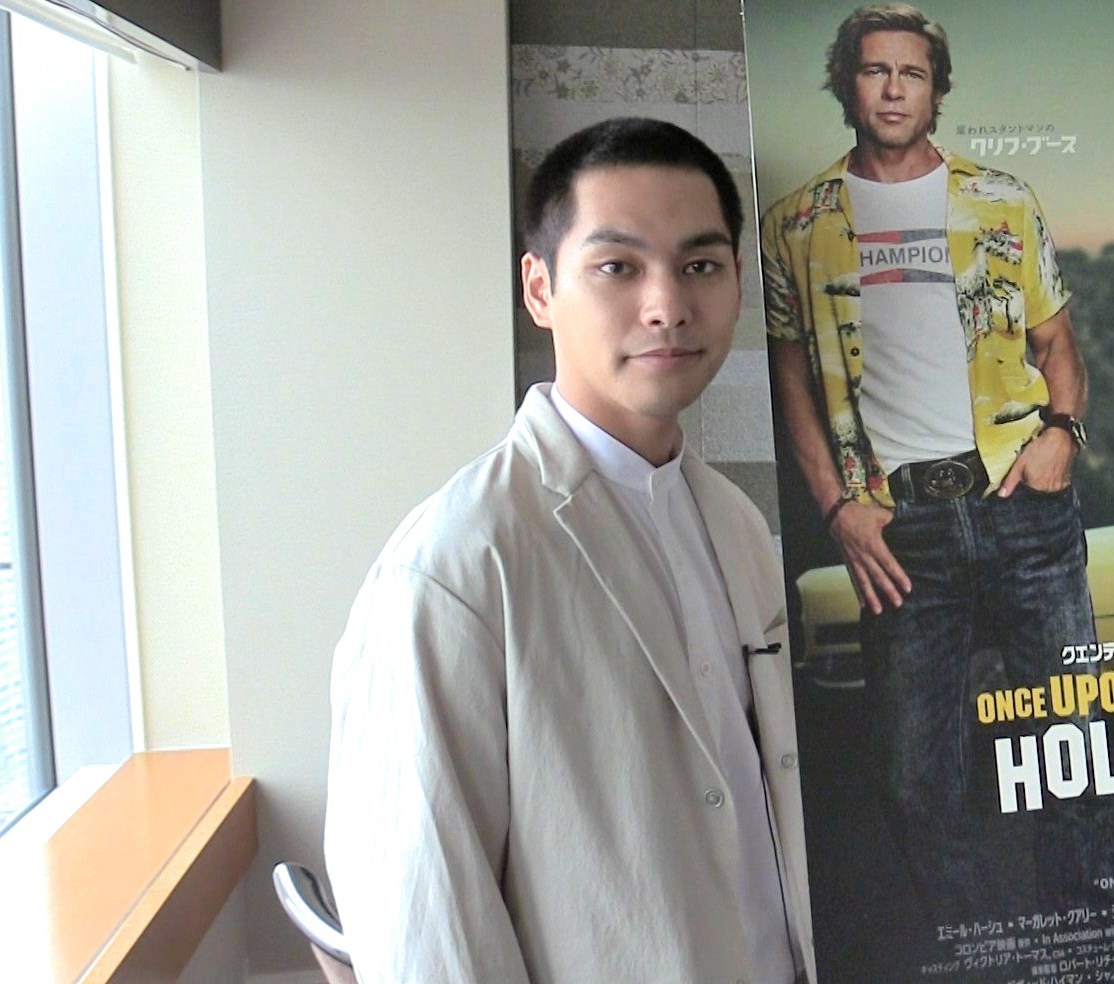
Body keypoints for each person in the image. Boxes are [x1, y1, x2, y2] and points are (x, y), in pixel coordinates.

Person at [325, 118, 813, 984]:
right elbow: (427, 936)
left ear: (738, 280)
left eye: (700, 265)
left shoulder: (736, 524)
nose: (667, 305)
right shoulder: (455, 568)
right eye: (617, 267)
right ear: (540, 288)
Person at [761, 3, 1102, 925]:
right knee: (914, 777)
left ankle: (1077, 932)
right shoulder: (797, 224)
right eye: (875, 70)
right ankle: (979, 947)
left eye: (911, 72)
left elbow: (1059, 346)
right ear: (847, 84)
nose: (893, 89)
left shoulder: (1003, 200)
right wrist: (837, 509)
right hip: (899, 528)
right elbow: (792, 384)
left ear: (936, 89)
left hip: (1021, 505)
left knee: (1072, 743)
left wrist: (1062, 436)